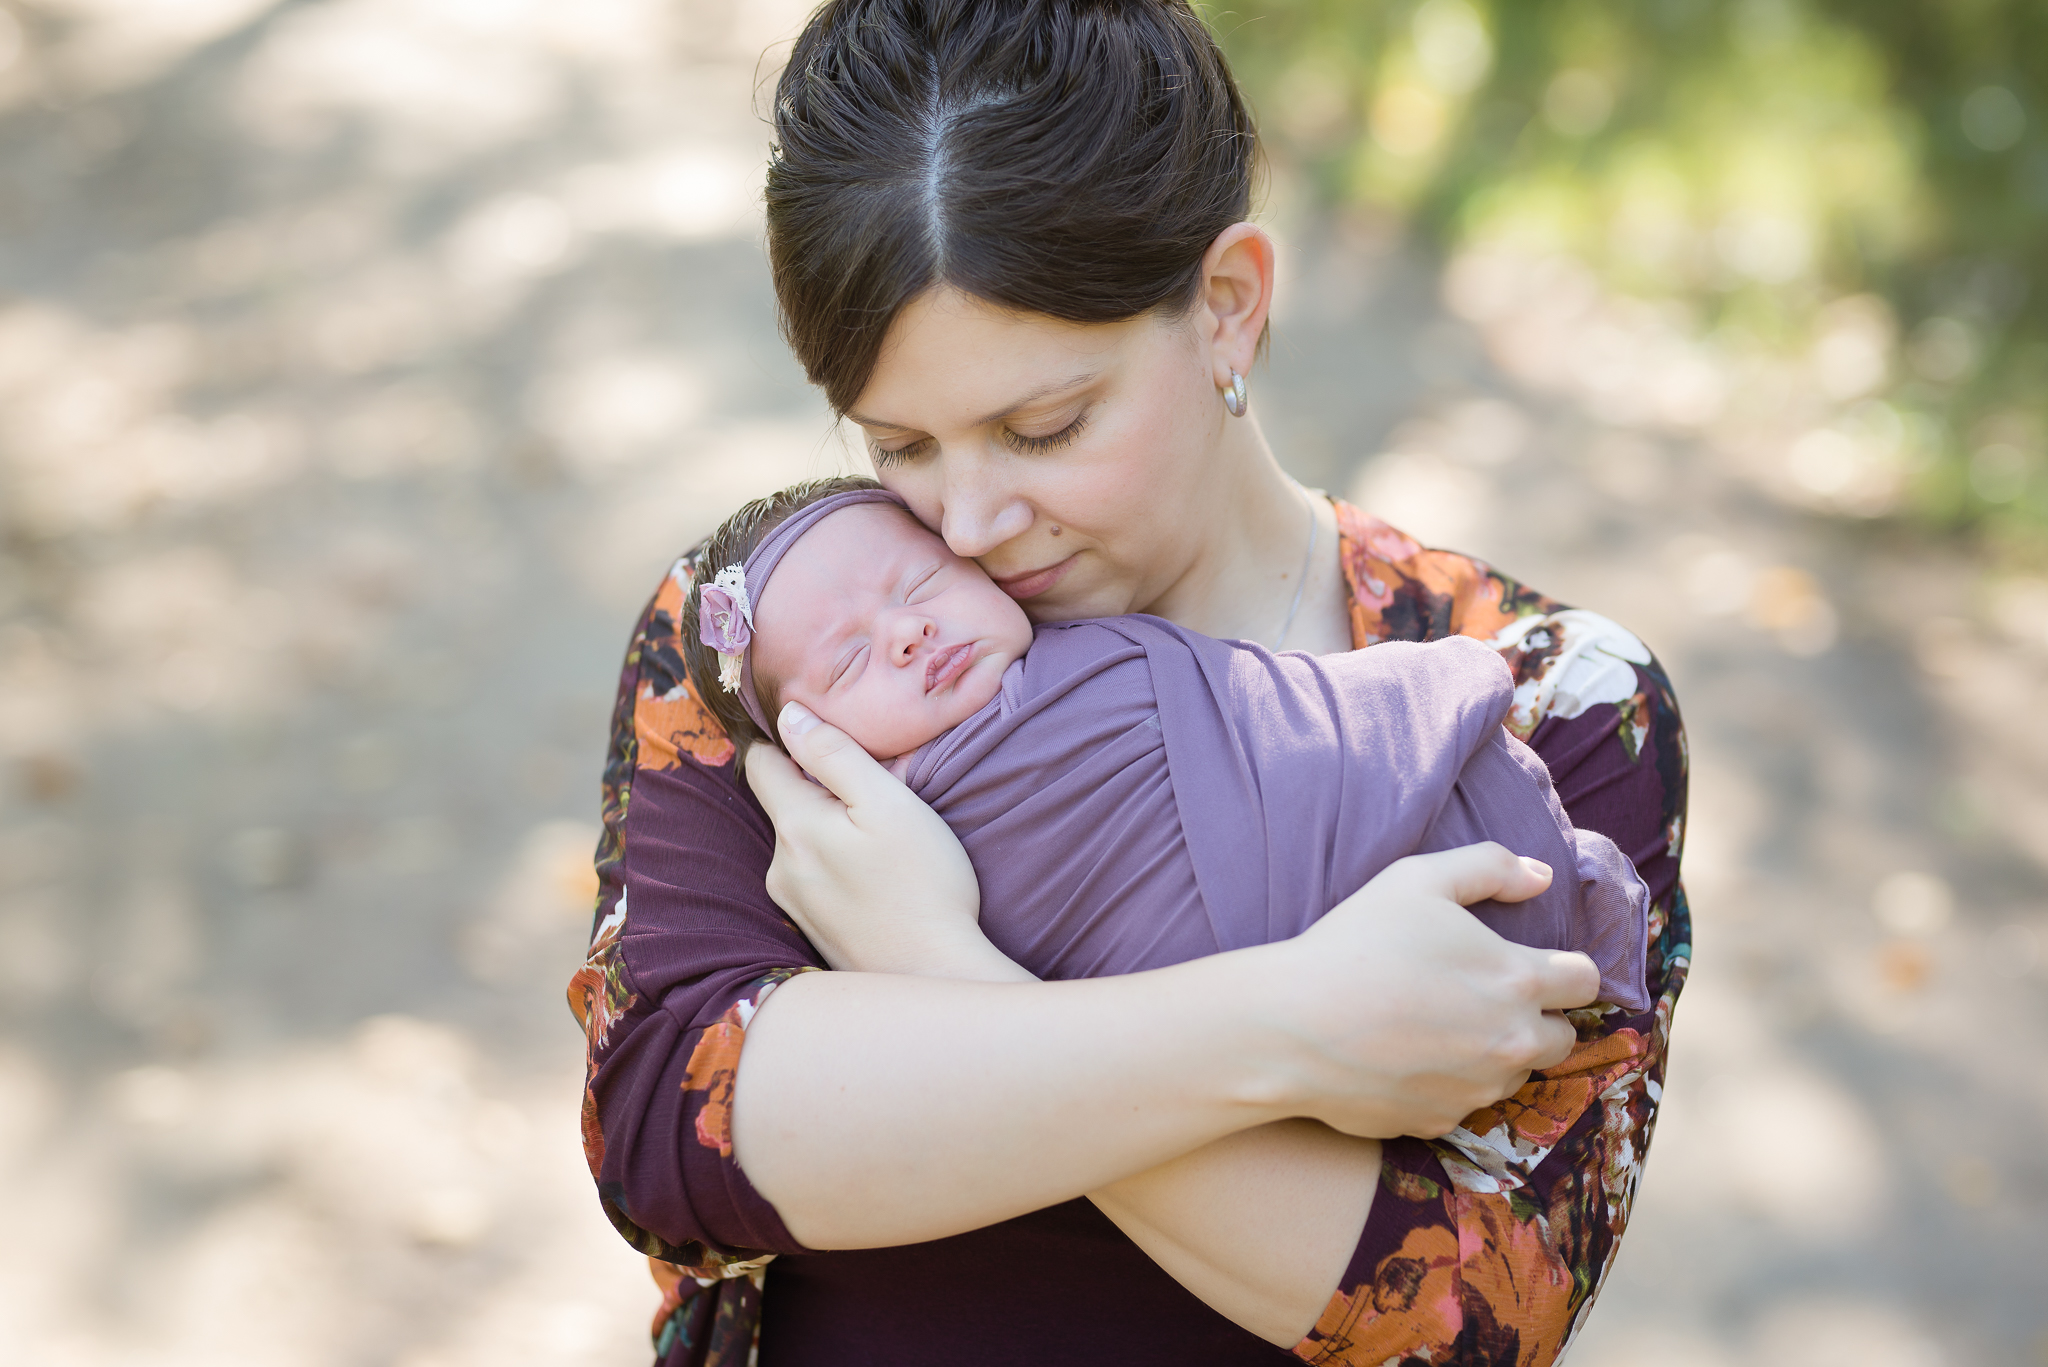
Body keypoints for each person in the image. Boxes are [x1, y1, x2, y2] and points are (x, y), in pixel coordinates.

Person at [567, 2, 1689, 1363]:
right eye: (901, 443)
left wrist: (932, 966)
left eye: (1043, 428)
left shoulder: (1544, 699)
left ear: (1227, 308)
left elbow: (1469, 1311)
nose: (967, 524)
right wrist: (1292, 1025)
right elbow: (672, 1148)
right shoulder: (786, 628)